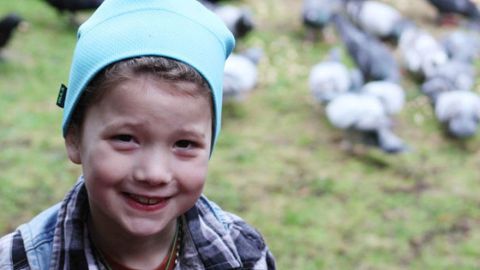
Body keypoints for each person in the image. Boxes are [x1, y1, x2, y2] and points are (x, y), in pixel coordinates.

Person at [0, 0, 276, 269]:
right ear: (74, 137)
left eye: (184, 144)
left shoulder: (243, 255)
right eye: (125, 139)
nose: (154, 174)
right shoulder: (17, 261)